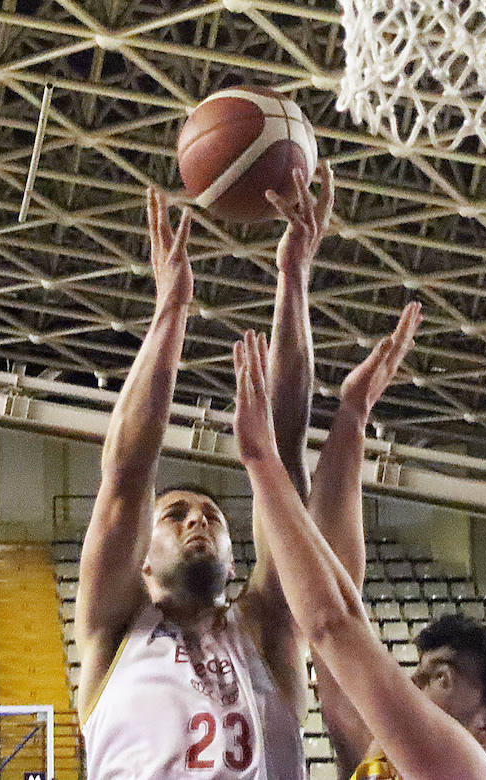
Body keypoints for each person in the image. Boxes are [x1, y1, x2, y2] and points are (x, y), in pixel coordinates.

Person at [76, 164, 334, 779]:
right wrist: (171, 310)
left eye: (213, 518)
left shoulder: (267, 627)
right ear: (141, 557)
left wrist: (293, 278)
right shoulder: (115, 629)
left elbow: (288, 438)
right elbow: (128, 473)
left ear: (234, 558)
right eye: (177, 513)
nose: (199, 519)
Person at [231, 320, 486, 780]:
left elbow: (332, 624)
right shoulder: (389, 757)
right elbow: (338, 624)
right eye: (421, 671)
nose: (412, 683)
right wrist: (352, 416)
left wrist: (261, 460)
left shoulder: (467, 772)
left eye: (440, 678)